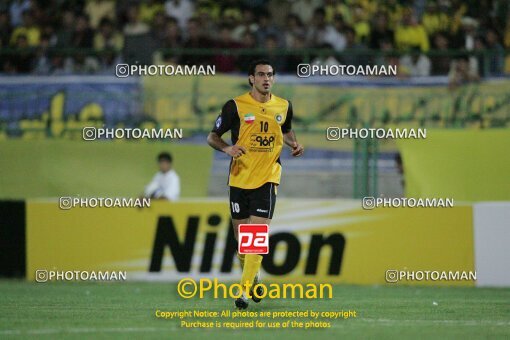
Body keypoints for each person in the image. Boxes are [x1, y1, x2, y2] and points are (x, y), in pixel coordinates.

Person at [207, 59, 304, 310]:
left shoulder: (284, 105)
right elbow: (212, 137)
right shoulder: (235, 106)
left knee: (255, 238)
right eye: (261, 74)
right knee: (243, 244)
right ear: (251, 78)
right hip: (239, 178)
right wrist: (227, 148)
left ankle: (242, 292)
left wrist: (294, 144)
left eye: (270, 74)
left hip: (268, 178)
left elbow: (285, 128)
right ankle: (254, 277)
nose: (266, 79)